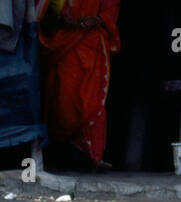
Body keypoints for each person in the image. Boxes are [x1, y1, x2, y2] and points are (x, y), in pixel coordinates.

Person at [38, 0, 121, 172]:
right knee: (63, 103)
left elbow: (111, 8)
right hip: (64, 41)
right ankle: (61, 155)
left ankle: (94, 157)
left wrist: (99, 20)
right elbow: (42, 11)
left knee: (94, 102)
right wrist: (60, 19)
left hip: (91, 41)